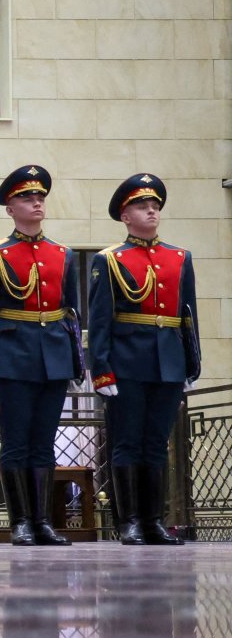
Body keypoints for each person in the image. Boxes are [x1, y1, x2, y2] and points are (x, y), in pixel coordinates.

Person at [0, 164, 78, 547]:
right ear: (10, 208)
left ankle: (42, 521)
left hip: (54, 357)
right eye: (27, 198)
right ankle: (20, 523)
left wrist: (76, 362)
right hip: (13, 355)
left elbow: (72, 313)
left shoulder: (61, 254)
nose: (36, 202)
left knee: (44, 442)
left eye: (40, 197)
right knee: (16, 442)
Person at [88, 174, 197, 546]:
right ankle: (129, 521)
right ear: (125, 216)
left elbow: (187, 315)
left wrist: (190, 364)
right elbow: (99, 320)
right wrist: (101, 370)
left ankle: (154, 520)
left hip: (168, 361)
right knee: (127, 443)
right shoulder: (110, 260)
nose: (151, 211)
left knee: (156, 444)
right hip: (127, 362)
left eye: (155, 206)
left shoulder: (179, 257)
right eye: (141, 206)